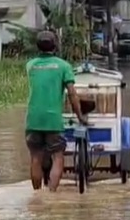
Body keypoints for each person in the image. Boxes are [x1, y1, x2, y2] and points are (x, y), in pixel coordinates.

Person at [25, 30, 87, 192]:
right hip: (53, 120)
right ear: (56, 45)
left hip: (33, 119)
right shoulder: (64, 66)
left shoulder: (30, 65)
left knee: (36, 158)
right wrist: (80, 116)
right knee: (58, 157)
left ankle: (37, 195)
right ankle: (51, 195)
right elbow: (72, 94)